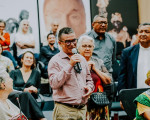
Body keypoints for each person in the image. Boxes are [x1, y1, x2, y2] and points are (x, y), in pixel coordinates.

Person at [48, 27, 94, 120]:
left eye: (74, 40)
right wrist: (70, 65)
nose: (72, 44)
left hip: (82, 109)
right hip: (65, 110)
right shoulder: (55, 61)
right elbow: (54, 84)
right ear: (60, 43)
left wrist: (89, 88)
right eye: (68, 42)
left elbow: (89, 80)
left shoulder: (81, 59)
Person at [77, 35, 111, 120]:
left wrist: (95, 69)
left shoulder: (98, 62)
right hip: (82, 101)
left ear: (93, 48)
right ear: (78, 48)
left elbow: (108, 80)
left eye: (90, 46)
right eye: (84, 46)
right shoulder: (75, 62)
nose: (87, 48)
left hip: (99, 101)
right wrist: (87, 70)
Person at [118, 23, 150, 91]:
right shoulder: (127, 52)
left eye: (147, 32)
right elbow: (122, 76)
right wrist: (123, 96)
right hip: (134, 94)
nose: (143, 34)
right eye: (141, 32)